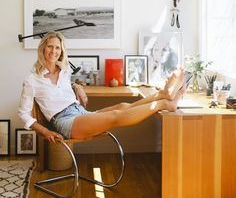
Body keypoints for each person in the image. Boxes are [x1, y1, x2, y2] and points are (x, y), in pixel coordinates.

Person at [18, 31, 186, 143]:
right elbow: (23, 114)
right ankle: (165, 104)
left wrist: (77, 86)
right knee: (115, 115)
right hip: (65, 122)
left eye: (57, 47)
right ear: (43, 49)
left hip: (79, 112)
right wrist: (45, 132)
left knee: (122, 106)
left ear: (61, 51)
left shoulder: (64, 71)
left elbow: (60, 89)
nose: (53, 51)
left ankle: (162, 94)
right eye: (50, 47)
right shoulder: (32, 80)